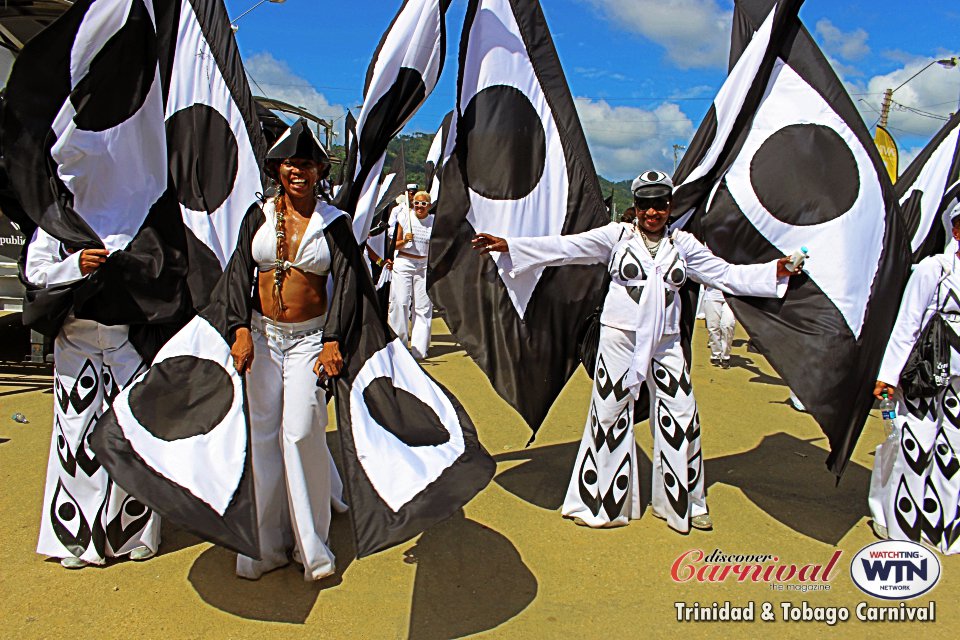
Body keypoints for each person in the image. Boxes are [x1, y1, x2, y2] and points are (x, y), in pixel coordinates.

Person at [473, 170, 797, 532]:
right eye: (645, 205)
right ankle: (602, 502)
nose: (652, 213)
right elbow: (566, 248)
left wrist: (775, 272)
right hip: (619, 340)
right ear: (636, 206)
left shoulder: (684, 244)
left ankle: (685, 502)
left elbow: (725, 275)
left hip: (666, 341)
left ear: (669, 206)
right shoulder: (617, 237)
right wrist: (511, 245)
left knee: (683, 416)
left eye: (659, 205)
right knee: (609, 415)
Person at [225, 119, 348, 580]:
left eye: (307, 164)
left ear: (319, 171)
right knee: (261, 438)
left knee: (300, 432)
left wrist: (334, 338)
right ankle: (263, 546)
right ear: (278, 170)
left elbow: (351, 287)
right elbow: (238, 274)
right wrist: (238, 328)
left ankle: (310, 546)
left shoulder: (334, 224)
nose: (298, 171)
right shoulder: (256, 218)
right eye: (290, 164)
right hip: (261, 339)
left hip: (310, 341)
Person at [27, 231, 160, 569]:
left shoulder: (138, 206)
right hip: (75, 337)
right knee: (74, 435)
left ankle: (134, 533)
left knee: (132, 431)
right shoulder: (58, 219)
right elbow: (34, 271)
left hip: (128, 337)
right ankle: (76, 537)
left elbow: (164, 263)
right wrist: (74, 265)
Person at [869, 214, 960, 554]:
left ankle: (942, 528)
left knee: (953, 452)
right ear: (955, 229)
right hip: (923, 374)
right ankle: (898, 523)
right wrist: (889, 375)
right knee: (913, 447)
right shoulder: (932, 270)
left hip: (958, 382)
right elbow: (907, 323)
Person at [388, 190, 434, 360]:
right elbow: (395, 245)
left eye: (423, 203)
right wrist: (406, 240)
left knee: (423, 307)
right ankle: (398, 345)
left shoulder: (433, 221)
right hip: (404, 263)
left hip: (424, 266)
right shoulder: (404, 217)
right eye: (416, 202)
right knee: (400, 303)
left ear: (429, 205)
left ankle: (419, 349)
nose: (419, 206)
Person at [702, 285, 735, 367]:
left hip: (731, 296)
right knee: (713, 327)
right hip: (712, 295)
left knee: (728, 325)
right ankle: (715, 354)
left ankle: (725, 356)